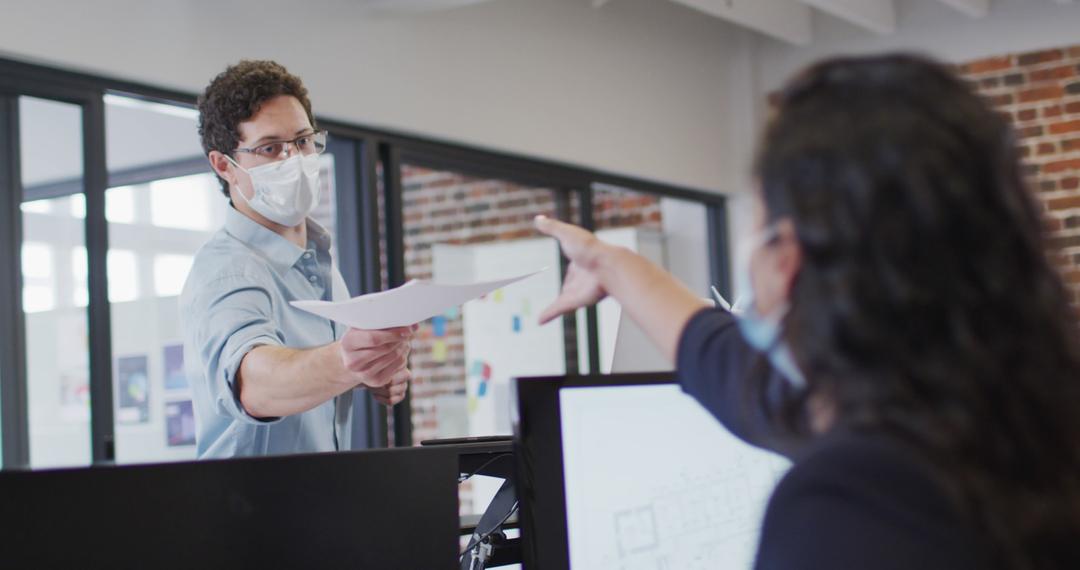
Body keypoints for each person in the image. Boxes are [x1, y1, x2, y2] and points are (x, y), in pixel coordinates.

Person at [535, 54, 1080, 569]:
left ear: (788, 259)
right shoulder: (1028, 417)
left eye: (758, 221)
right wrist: (614, 267)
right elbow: (736, 372)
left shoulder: (849, 509)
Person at [180, 60, 412, 459]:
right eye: (270, 148)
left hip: (316, 504)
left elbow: (311, 371)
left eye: (303, 141)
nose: (294, 160)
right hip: (249, 513)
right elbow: (254, 384)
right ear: (224, 166)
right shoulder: (229, 269)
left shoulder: (315, 262)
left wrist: (366, 375)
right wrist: (346, 362)